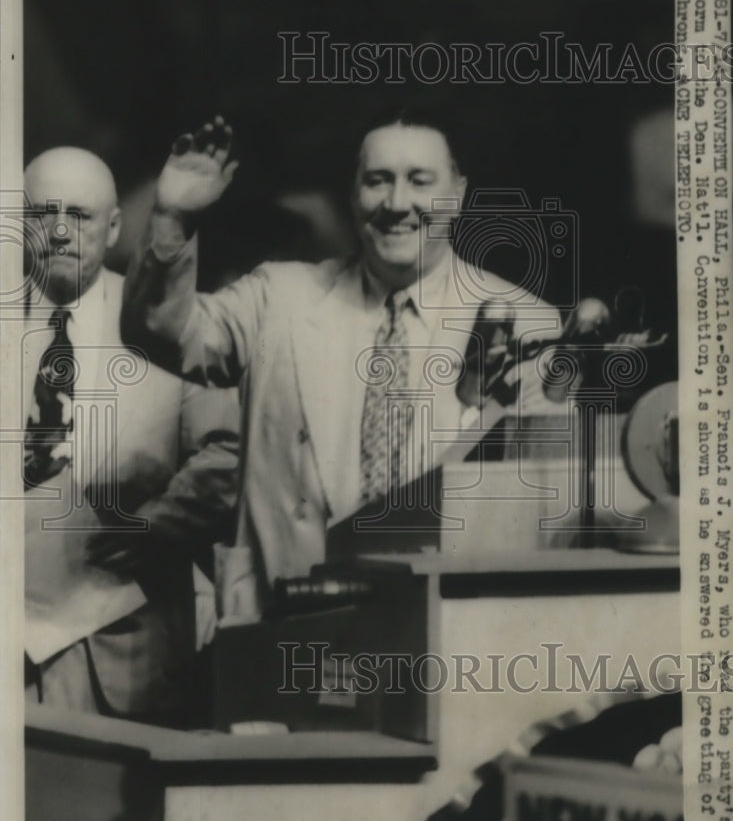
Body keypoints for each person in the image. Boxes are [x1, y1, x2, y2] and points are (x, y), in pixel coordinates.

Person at [121, 112, 561, 618]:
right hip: (287, 623)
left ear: (457, 195)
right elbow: (159, 333)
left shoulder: (526, 322)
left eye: (420, 181)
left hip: (448, 625)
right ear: (353, 195)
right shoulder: (278, 298)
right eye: (378, 181)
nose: (397, 204)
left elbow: (543, 504)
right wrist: (173, 220)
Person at [23, 146, 240, 726]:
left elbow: (227, 455)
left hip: (129, 656)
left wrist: (155, 526)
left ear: (114, 225)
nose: (63, 232)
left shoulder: (166, 325)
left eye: (82, 216)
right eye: (45, 214)